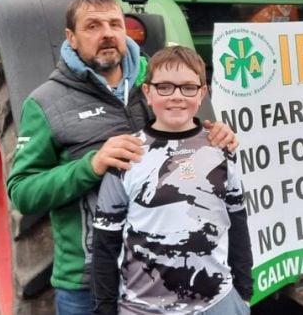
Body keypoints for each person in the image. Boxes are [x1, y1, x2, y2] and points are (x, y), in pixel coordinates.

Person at [6, 0, 238, 315]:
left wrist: (215, 135)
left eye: (115, 24)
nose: (107, 34)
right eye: (93, 26)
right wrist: (92, 165)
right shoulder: (45, 104)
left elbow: (190, 140)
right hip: (86, 281)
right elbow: (22, 192)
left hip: (160, 276)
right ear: (70, 37)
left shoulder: (156, 82)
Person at [92, 46, 252, 314]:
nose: (177, 97)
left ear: (202, 93)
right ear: (148, 92)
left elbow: (237, 222)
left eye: (188, 87)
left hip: (217, 303)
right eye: (164, 87)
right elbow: (105, 244)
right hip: (143, 308)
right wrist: (105, 310)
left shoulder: (220, 149)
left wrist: (245, 292)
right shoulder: (128, 156)